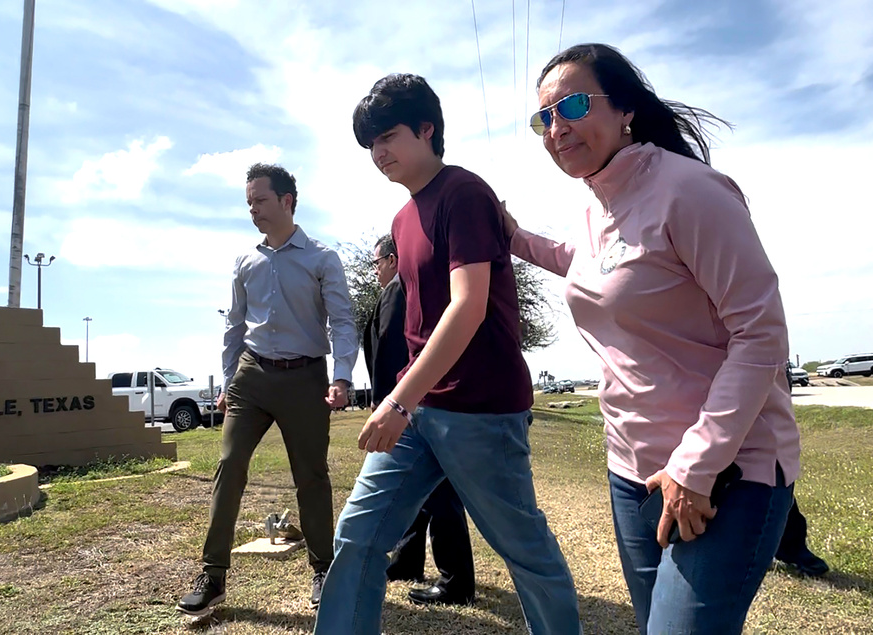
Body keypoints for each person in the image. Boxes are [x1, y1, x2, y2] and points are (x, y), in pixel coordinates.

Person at [506, 43, 800, 634]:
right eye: (544, 118)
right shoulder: (596, 207)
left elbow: (761, 332)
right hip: (632, 467)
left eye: (574, 105)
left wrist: (694, 466)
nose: (556, 128)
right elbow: (596, 268)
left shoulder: (691, 190)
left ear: (626, 110)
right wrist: (514, 237)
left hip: (726, 470)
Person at [314, 73, 580, 635]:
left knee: (522, 546)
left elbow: (468, 307)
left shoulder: (463, 193)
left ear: (426, 128)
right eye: (369, 145)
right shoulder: (401, 219)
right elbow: (418, 321)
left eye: (387, 136)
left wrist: (397, 401)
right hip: (419, 409)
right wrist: (405, 398)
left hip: (481, 407)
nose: (377, 153)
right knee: (358, 535)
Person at [177, 163, 358, 617]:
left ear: (287, 201)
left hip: (305, 378)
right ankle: (213, 575)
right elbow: (234, 326)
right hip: (251, 378)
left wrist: (341, 377)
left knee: (311, 476)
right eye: (248, 202)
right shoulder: (245, 262)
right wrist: (226, 380)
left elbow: (342, 320)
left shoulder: (322, 258)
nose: (253, 209)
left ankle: (323, 569)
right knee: (228, 465)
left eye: (260, 200)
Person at [363, 234, 476, 606]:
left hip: (410, 407)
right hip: (408, 406)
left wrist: (394, 405)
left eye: (377, 262)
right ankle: (408, 559)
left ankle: (456, 580)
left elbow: (396, 356)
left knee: (442, 495)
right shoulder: (400, 291)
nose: (375, 269)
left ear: (393, 260)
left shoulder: (399, 293)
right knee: (415, 491)